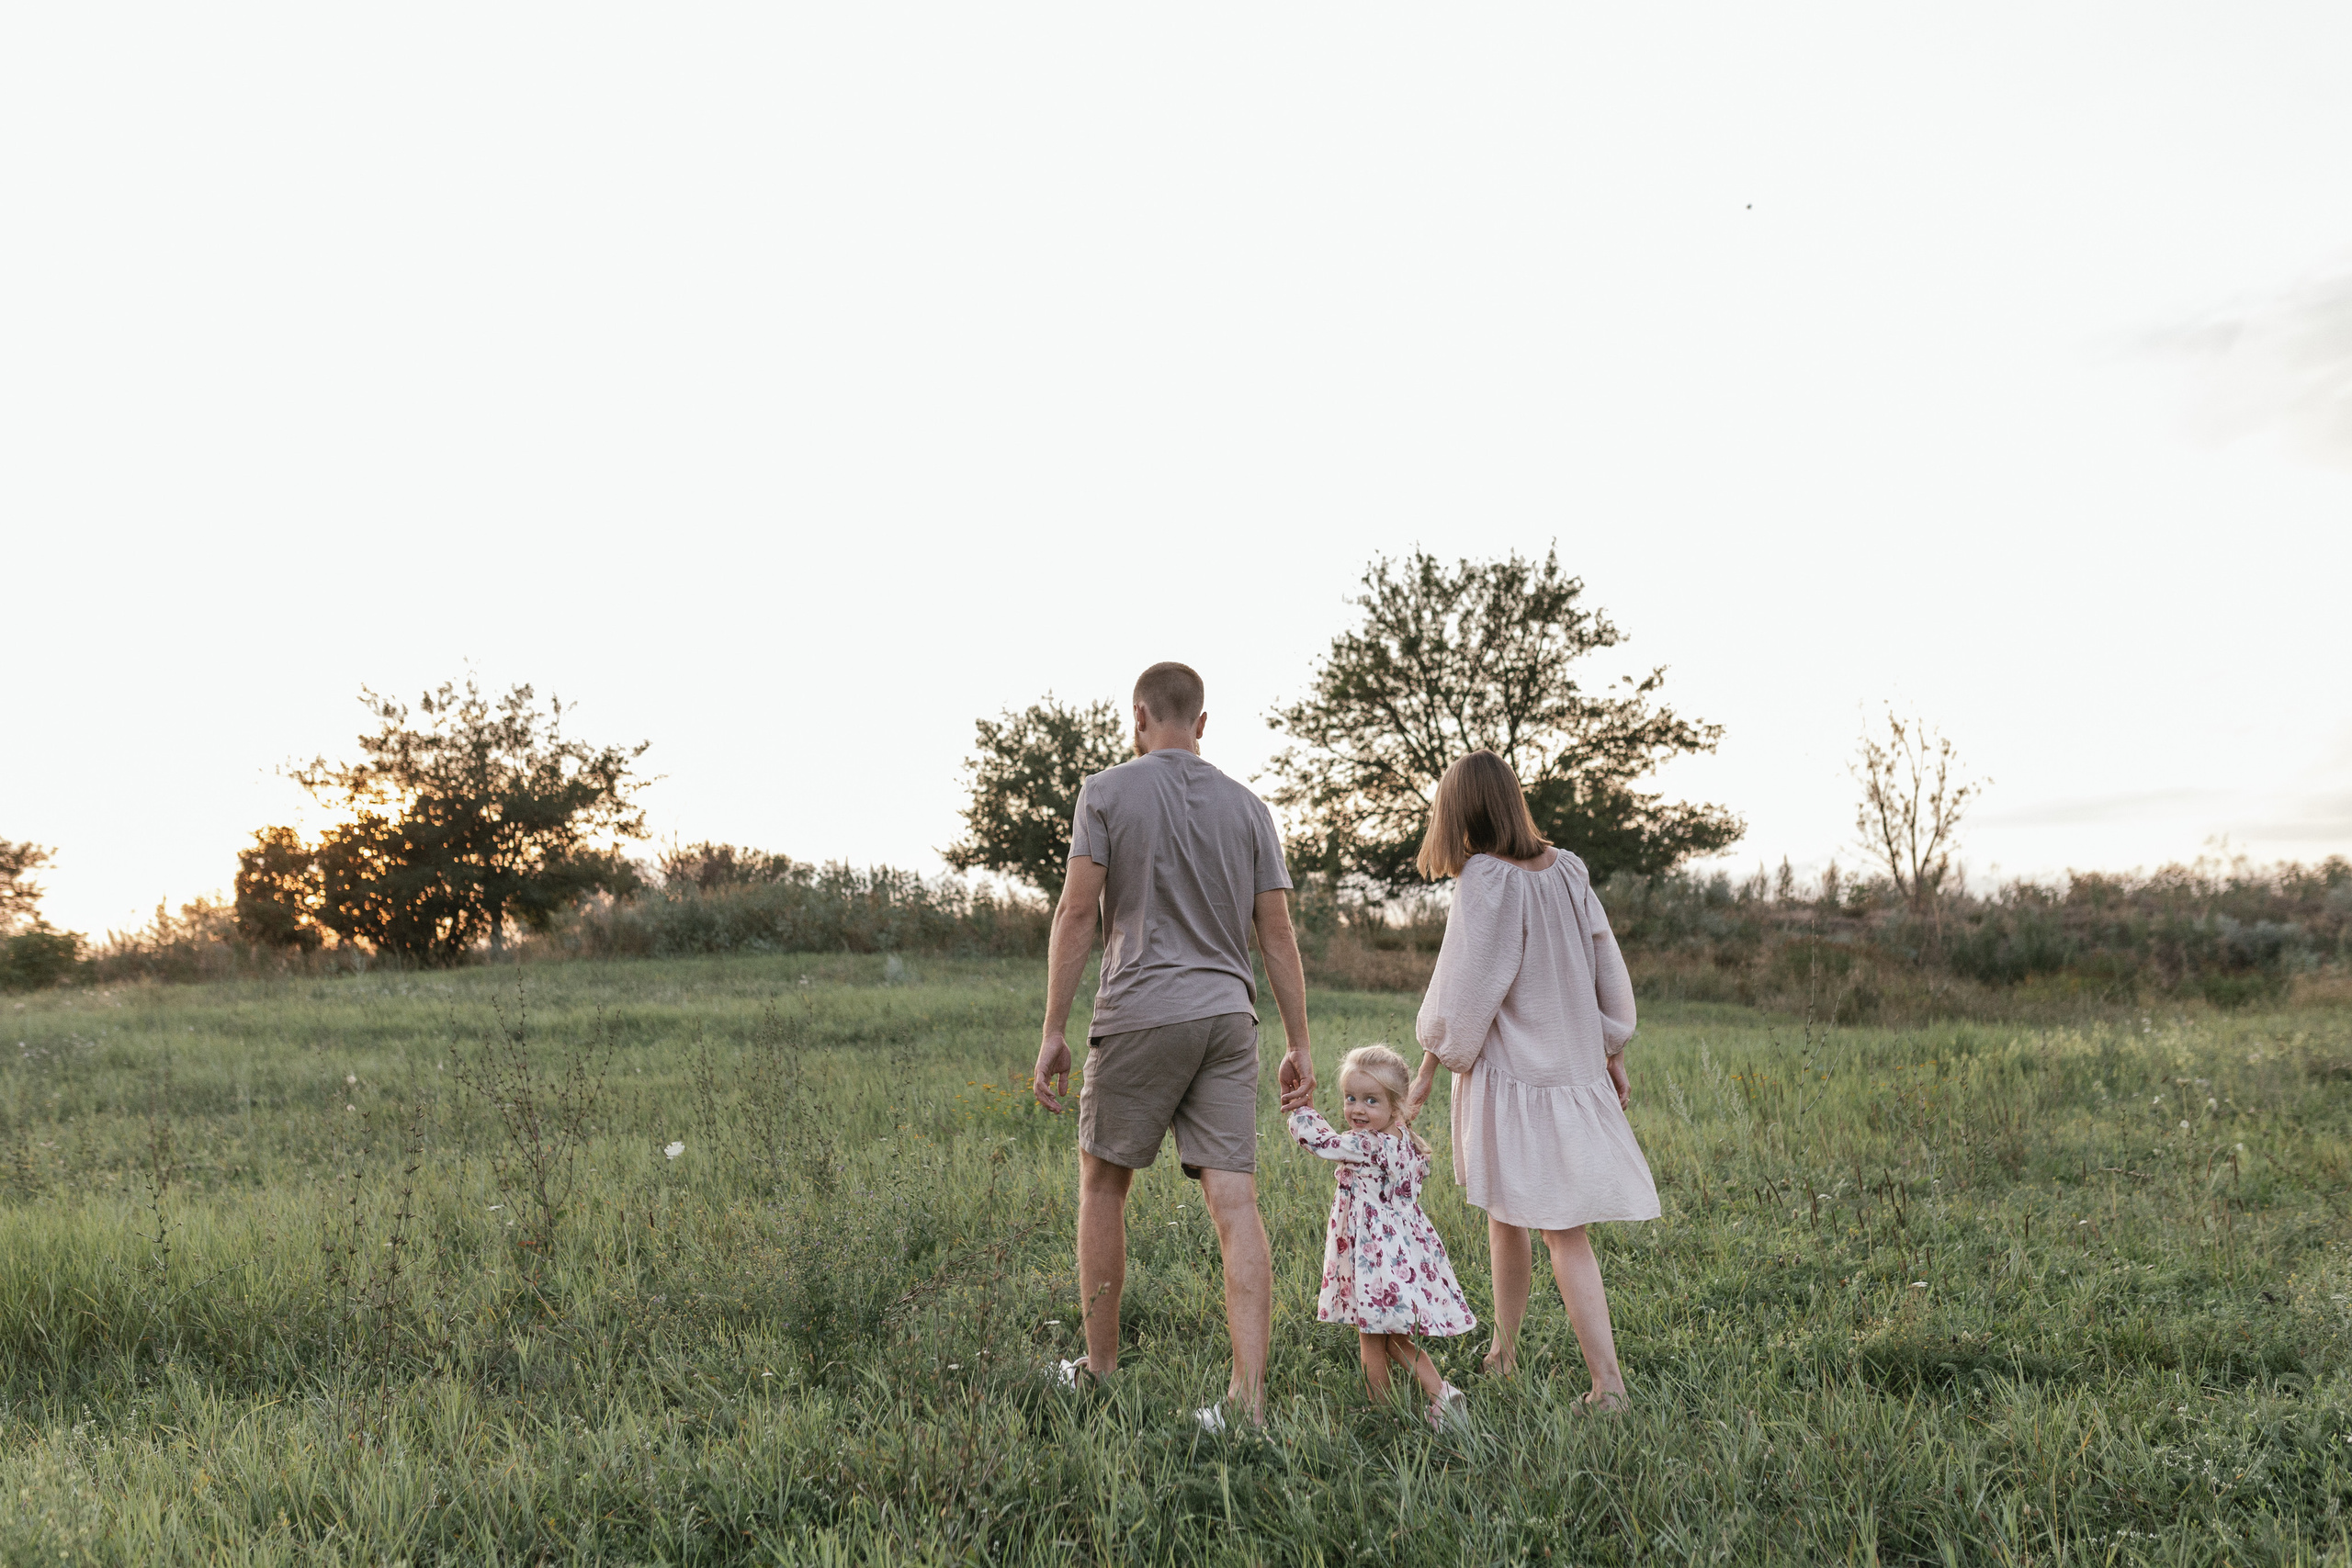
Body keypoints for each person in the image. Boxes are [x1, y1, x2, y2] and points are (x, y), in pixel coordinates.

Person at [1032, 660, 1314, 1429]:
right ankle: (1247, 1402)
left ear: (1139, 716)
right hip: (1229, 1018)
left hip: (1139, 1012)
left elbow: (1077, 915)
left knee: (1102, 1186)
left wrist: (1055, 1028)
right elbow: (1278, 934)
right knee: (1235, 1203)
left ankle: (1098, 1370)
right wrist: (1299, 1041)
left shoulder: (1105, 791)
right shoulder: (1251, 807)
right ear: (1202, 722)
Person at [1399, 750, 1660, 1412]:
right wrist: (1612, 1046)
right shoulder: (1567, 868)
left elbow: (1466, 985)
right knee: (1507, 1213)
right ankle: (1503, 1351)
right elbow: (1606, 960)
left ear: (1459, 814)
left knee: (1556, 1227)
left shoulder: (1486, 878)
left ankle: (1609, 1384)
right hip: (1564, 1069)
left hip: (1516, 1077)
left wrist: (1429, 1064)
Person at [1286, 1043, 1476, 1429]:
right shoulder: (1405, 1140)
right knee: (1380, 1333)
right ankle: (1399, 1405)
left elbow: (1319, 1141)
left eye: (1371, 1101)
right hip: (1402, 1251)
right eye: (1350, 1098)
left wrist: (1298, 1103)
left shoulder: (1367, 1144)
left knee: (1374, 1333)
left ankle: (1423, 1397)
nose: (1357, 1109)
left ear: (1395, 1106)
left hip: (1372, 1254)